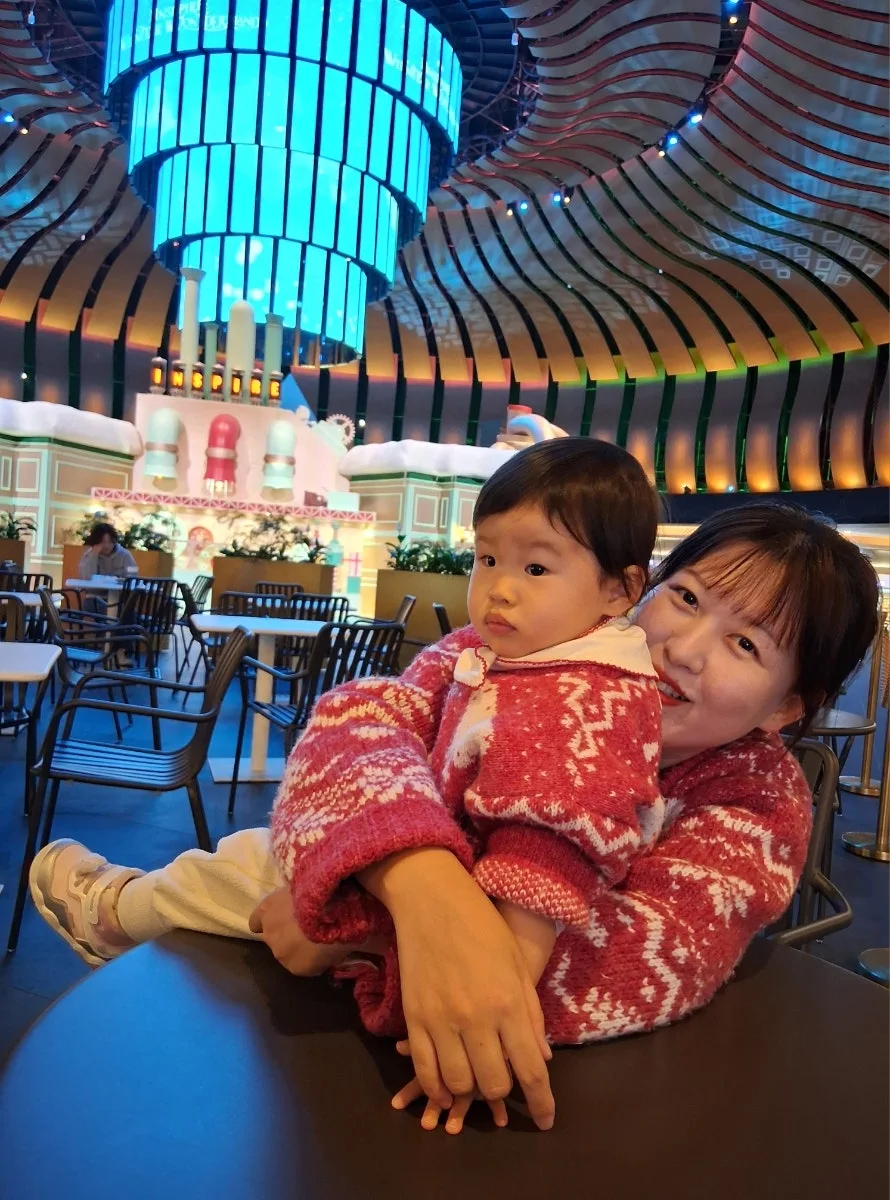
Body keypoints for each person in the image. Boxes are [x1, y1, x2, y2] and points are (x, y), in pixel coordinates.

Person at [31, 498, 879, 1135]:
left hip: (536, 1106)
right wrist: (414, 884)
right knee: (248, 859)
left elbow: (652, 960)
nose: (682, 649)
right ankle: (119, 910)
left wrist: (363, 931)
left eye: (746, 645)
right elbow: (356, 722)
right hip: (322, 1021)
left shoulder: (756, 800)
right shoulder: (529, 652)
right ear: (642, 589)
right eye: (686, 597)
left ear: (787, 706)